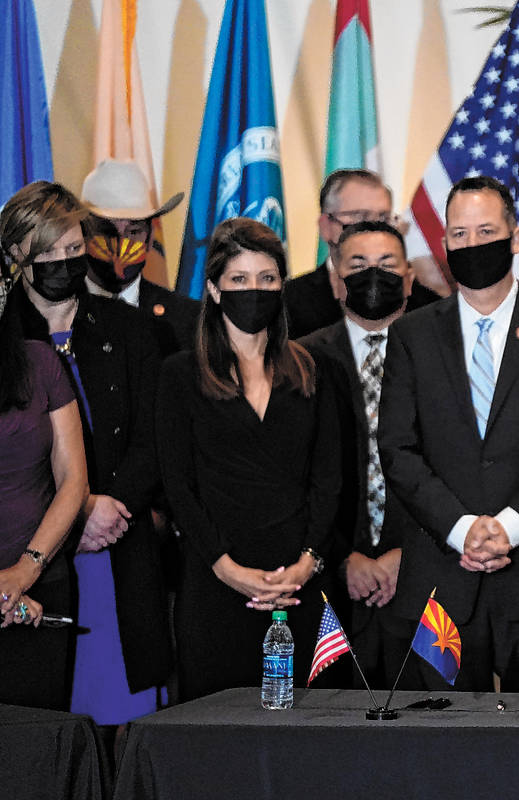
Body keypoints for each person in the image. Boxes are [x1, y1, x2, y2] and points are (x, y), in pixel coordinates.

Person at [377, 175, 519, 691]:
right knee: (438, 750)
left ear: (516, 237)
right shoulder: (411, 334)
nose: (472, 245)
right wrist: (461, 529)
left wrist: (508, 528)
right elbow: (398, 449)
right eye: (459, 235)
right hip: (439, 578)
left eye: (485, 231)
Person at [3, 182, 171, 729]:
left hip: (118, 541)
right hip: (33, 557)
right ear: (15, 258)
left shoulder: (134, 330)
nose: (63, 262)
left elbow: (156, 438)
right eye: (47, 252)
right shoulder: (8, 344)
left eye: (74, 250)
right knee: (45, 727)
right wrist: (77, 511)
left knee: (121, 724)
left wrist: (109, 503)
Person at [157, 217, 340, 701]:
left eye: (267, 279)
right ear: (215, 289)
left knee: (308, 732)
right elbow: (178, 486)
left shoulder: (314, 370)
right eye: (239, 280)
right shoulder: (179, 376)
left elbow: (329, 479)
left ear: (282, 286)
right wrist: (226, 568)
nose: (253, 291)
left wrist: (307, 563)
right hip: (216, 581)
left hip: (298, 582)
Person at [299, 220, 418, 688]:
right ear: (334, 279)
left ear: (408, 278)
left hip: (419, 576)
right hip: (329, 581)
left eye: (387, 265)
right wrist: (341, 556)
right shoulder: (300, 361)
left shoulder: (444, 357)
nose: (374, 276)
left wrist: (406, 555)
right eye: (358, 265)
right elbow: (295, 475)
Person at [0, 260, 88, 710]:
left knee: (39, 754)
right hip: (12, 597)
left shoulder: (39, 361)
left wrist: (25, 571)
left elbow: (73, 480)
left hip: (40, 587)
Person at [284, 169, 439, 339]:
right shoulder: (287, 305)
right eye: (359, 217)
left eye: (383, 218)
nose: (373, 231)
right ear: (326, 227)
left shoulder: (427, 306)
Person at [79, 159, 198, 356]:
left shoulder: (187, 320)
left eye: (133, 232)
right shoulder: (57, 313)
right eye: (107, 233)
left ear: (150, 238)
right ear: (82, 236)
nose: (120, 244)